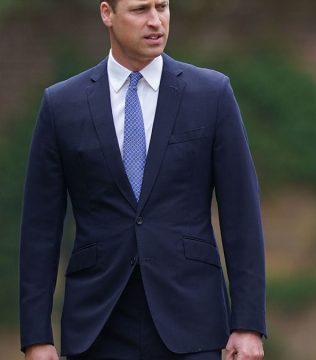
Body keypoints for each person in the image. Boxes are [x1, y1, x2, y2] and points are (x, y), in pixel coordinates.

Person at [19, 1, 266, 359]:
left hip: (193, 324)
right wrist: (37, 338)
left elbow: (242, 214)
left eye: (162, 7)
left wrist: (247, 325)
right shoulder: (61, 105)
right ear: (107, 14)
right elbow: (39, 230)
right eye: (139, 10)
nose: (156, 21)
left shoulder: (212, 95)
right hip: (97, 327)